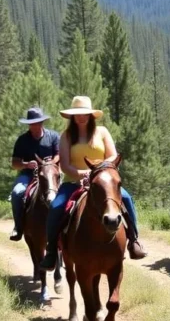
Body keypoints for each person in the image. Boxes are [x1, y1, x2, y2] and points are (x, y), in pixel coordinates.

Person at [40, 96, 147, 269]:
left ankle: (134, 241)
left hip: (103, 180)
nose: (81, 117)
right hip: (73, 182)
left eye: (85, 113)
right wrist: (84, 173)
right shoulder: (66, 136)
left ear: (91, 115)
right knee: (56, 207)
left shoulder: (102, 132)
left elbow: (112, 155)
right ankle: (52, 251)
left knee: (126, 199)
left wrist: (98, 170)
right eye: (78, 114)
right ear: (72, 117)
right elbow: (65, 165)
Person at [8, 107, 61, 241]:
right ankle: (18, 227)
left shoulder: (53, 136)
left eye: (38, 122)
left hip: (51, 174)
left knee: (66, 192)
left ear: (43, 122)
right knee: (17, 192)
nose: (36, 125)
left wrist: (49, 163)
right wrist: (26, 164)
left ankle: (66, 225)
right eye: (33, 123)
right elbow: (14, 163)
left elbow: (59, 155)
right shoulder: (22, 140)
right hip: (28, 174)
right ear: (29, 124)